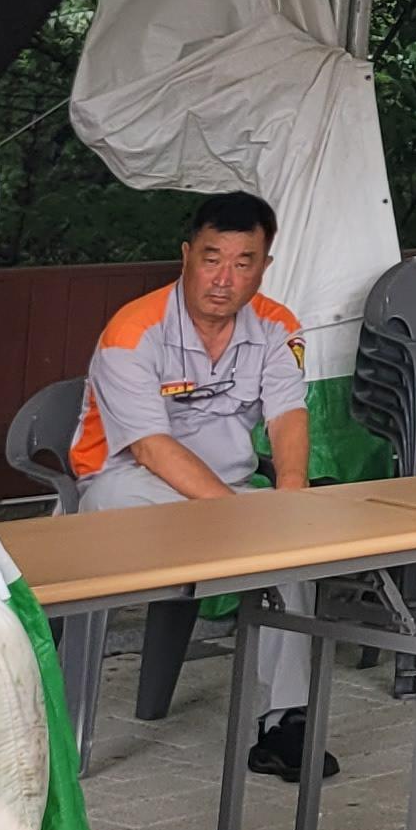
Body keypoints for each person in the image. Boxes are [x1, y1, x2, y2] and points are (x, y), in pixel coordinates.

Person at [70, 193, 337, 781]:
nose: (224, 279)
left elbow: (288, 415)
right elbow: (150, 447)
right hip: (130, 488)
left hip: (231, 492)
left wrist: (293, 494)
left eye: (243, 262)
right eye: (212, 259)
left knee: (298, 547)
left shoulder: (277, 325)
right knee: (253, 527)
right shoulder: (133, 330)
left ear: (264, 267)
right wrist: (241, 517)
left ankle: (283, 725)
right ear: (187, 255)